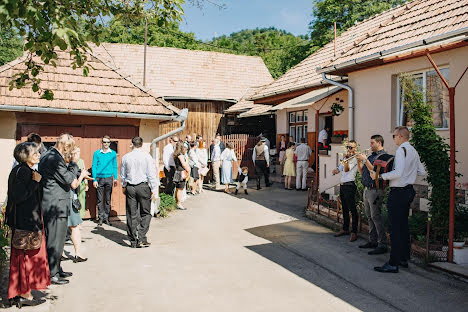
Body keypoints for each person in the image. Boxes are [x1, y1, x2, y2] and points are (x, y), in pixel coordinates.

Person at [372, 127, 426, 273]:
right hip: (408, 190)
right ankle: (403, 258)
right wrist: (409, 176)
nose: (394, 138)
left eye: (394, 136)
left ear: (401, 136)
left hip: (398, 192)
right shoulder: (413, 150)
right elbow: (421, 171)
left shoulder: (401, 150)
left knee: (395, 228)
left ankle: (393, 263)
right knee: (403, 227)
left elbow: (398, 172)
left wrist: (380, 176)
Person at [6, 142, 49, 308]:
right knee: (26, 259)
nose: (38, 155)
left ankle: (19, 293)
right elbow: (19, 196)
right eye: (35, 153)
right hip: (25, 223)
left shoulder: (22, 170)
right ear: (25, 155)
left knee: (21, 258)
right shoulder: (23, 172)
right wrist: (35, 182)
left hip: (23, 221)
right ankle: (24, 294)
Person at [39, 133, 80, 285]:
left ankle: (57, 268)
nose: (69, 152)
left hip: (54, 201)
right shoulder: (55, 159)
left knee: (59, 238)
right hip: (56, 203)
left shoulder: (48, 154)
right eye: (69, 148)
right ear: (64, 146)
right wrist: (73, 164)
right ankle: (52, 273)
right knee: (55, 239)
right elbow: (70, 180)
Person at [120, 136, 158, 248]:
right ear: (141, 144)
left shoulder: (126, 157)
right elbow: (151, 175)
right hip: (143, 186)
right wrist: (154, 189)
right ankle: (141, 237)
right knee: (146, 212)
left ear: (132, 144)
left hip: (131, 186)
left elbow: (123, 174)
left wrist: (124, 185)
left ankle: (133, 240)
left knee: (132, 213)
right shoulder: (147, 157)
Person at [356, 135, 388, 255]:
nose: (370, 145)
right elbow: (362, 172)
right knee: (369, 216)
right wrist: (359, 161)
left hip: (376, 190)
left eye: (372, 143)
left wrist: (365, 160)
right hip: (367, 189)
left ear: (379, 143)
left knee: (376, 217)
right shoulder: (371, 156)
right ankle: (373, 240)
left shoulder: (383, 156)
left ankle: (382, 244)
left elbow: (375, 171)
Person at [67, 147, 90, 263]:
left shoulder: (64, 165)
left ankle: (61, 253)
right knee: (75, 227)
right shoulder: (71, 166)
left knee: (64, 228)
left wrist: (84, 176)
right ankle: (78, 254)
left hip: (64, 200)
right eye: (77, 153)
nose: (78, 155)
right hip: (69, 199)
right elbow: (74, 184)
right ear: (72, 154)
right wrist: (82, 176)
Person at [332, 140, 358, 242]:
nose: (348, 149)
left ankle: (354, 232)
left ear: (355, 149)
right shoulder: (346, 158)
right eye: (347, 147)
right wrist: (335, 170)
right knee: (345, 209)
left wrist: (346, 159)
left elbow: (347, 169)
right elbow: (339, 169)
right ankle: (345, 229)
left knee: (352, 209)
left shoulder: (354, 159)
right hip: (343, 186)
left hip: (350, 186)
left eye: (351, 147)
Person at [92, 135, 118, 226]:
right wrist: (94, 179)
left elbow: (115, 166)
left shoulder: (113, 153)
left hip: (109, 178)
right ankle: (100, 218)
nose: (106, 144)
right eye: (104, 142)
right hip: (99, 178)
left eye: (107, 142)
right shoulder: (97, 153)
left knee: (107, 199)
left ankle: (106, 218)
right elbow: (94, 166)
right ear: (102, 143)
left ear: (110, 143)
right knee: (99, 199)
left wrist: (115, 178)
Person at [173, 141, 191, 210]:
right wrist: (188, 169)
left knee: (178, 188)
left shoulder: (175, 154)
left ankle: (177, 202)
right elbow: (184, 164)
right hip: (181, 173)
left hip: (177, 171)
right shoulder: (180, 155)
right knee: (180, 188)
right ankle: (179, 203)